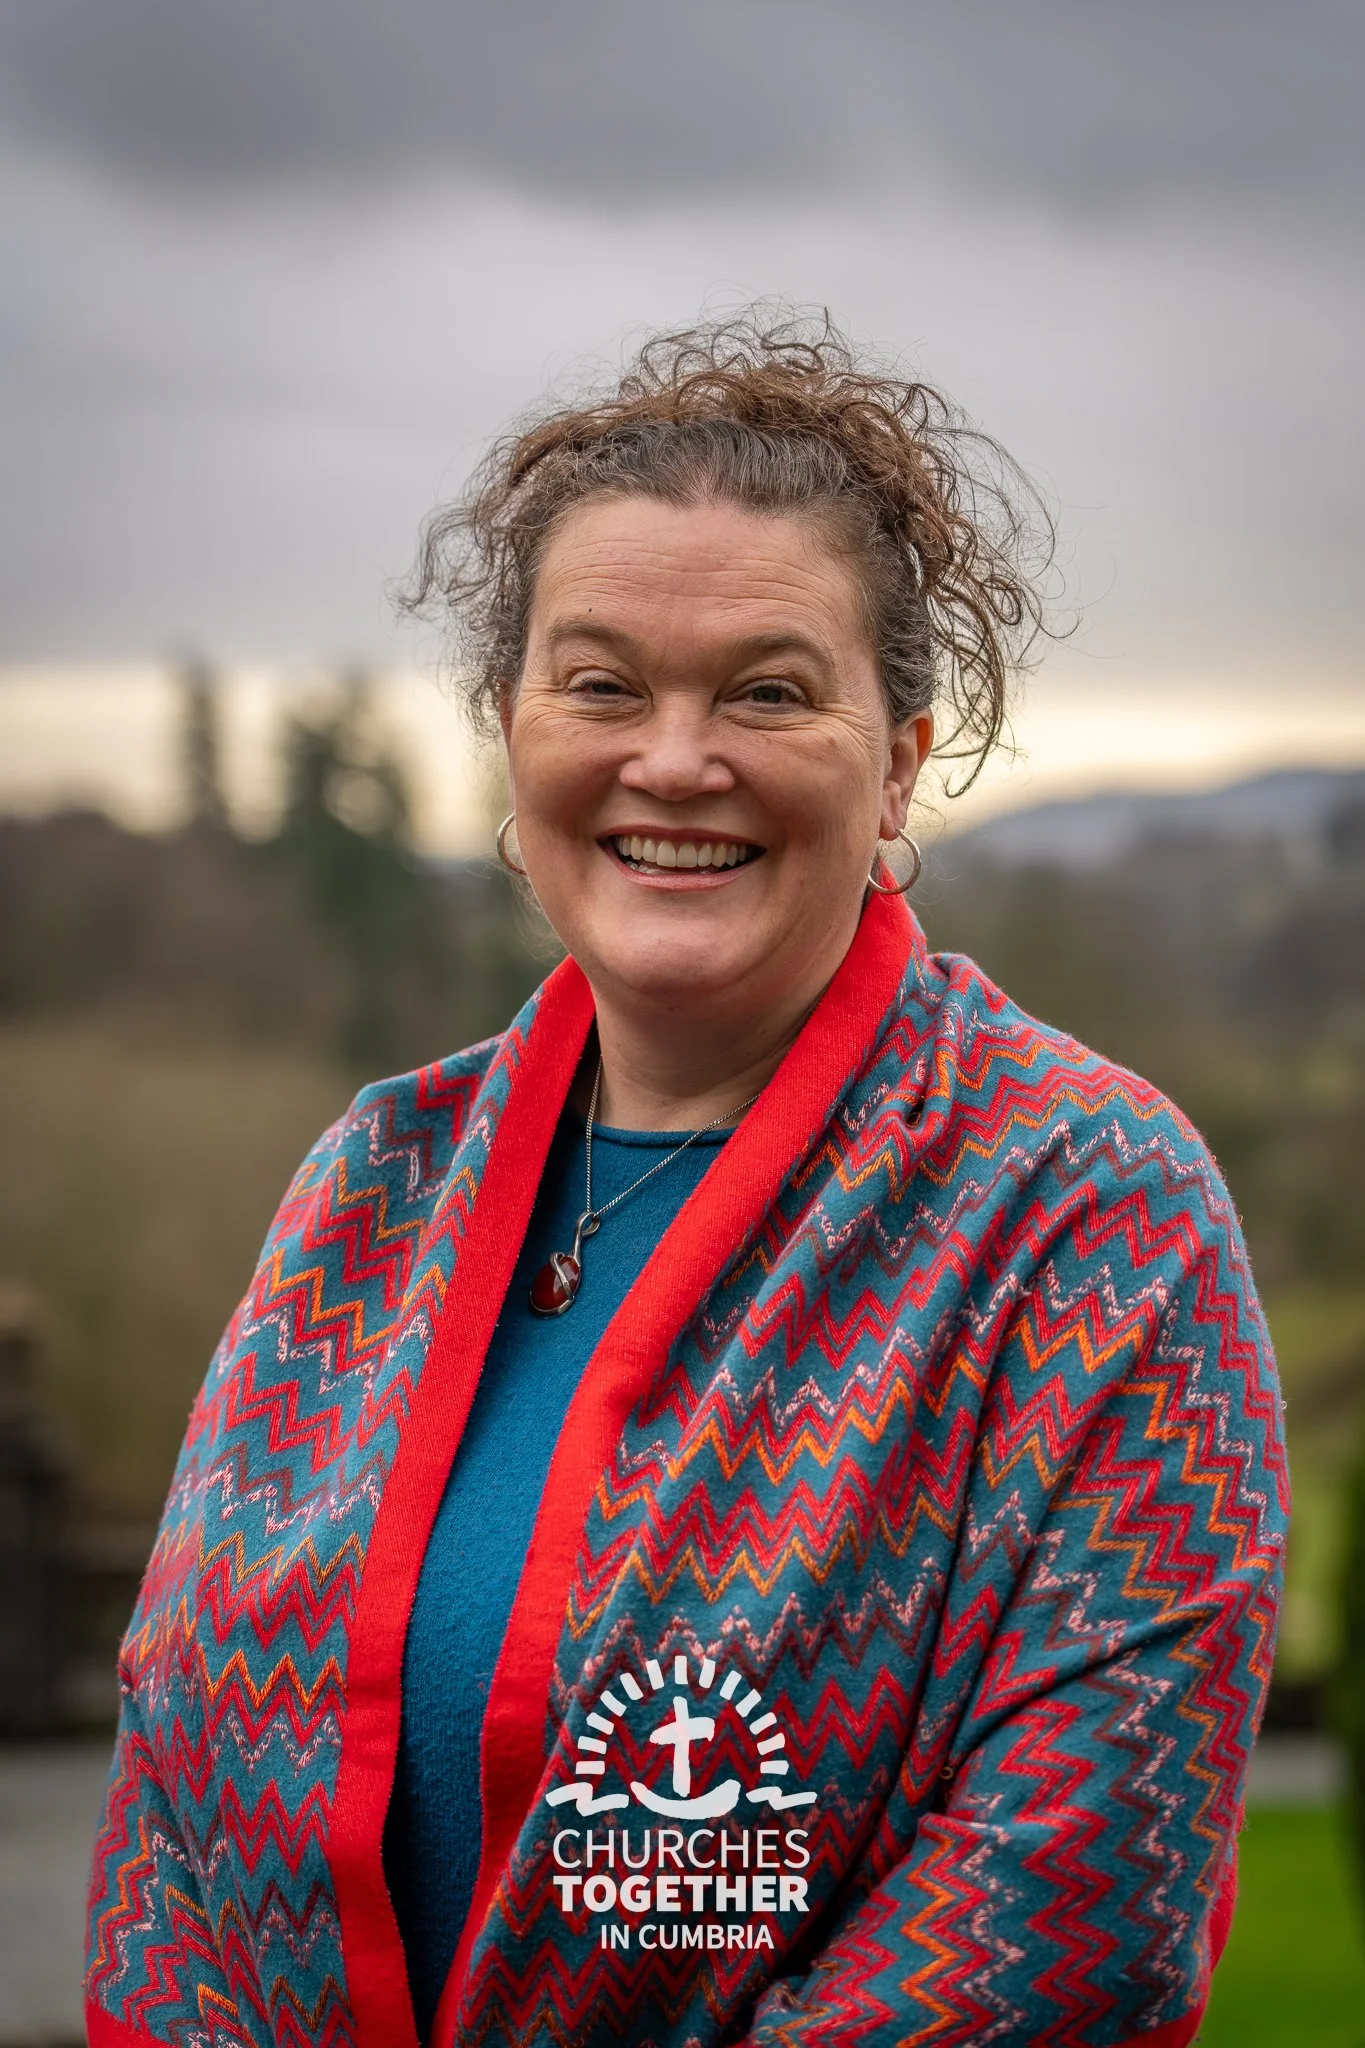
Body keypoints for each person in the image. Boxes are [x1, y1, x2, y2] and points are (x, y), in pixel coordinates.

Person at [85, 315, 1287, 2048]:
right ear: (514, 739)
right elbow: (171, 1798)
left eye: (770, 691)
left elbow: (1074, 1910)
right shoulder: (372, 1185)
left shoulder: (1085, 1212)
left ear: (901, 759)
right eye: (600, 684)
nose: (672, 759)